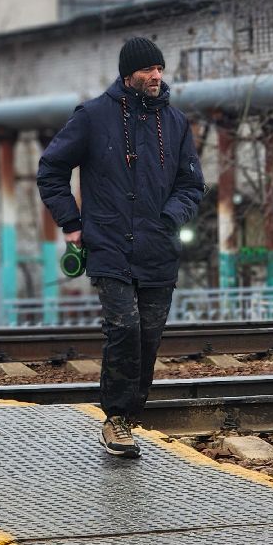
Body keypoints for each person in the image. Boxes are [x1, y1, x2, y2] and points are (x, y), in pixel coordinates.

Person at [37, 36, 205, 457]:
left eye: (160, 69)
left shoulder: (177, 123)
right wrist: (71, 223)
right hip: (108, 244)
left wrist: (170, 218)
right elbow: (51, 168)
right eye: (149, 70)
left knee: (149, 335)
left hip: (158, 247)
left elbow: (192, 184)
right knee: (124, 328)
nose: (156, 76)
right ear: (129, 74)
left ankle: (129, 416)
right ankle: (115, 419)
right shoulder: (93, 117)